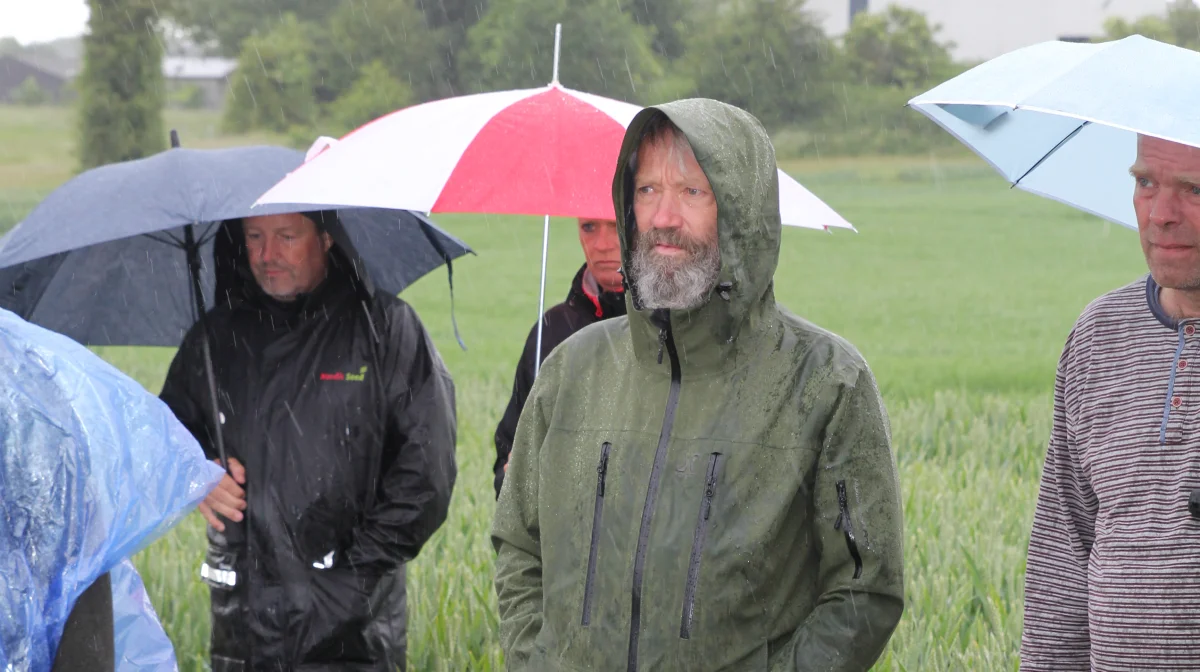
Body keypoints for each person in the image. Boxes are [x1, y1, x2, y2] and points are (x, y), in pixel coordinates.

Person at [491, 99, 905, 670]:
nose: (663, 216)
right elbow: (518, 544)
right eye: (646, 190)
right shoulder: (572, 371)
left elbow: (864, 588)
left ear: (742, 212)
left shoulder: (825, 381)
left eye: (692, 192)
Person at [159, 210, 457, 672]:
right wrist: (197, 472)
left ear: (326, 238)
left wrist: (347, 584)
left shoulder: (384, 329)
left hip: (353, 636)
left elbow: (426, 477)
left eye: (286, 237)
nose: (267, 255)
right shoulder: (215, 338)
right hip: (243, 630)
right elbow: (164, 438)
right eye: (254, 237)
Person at [1020, 135, 1200, 670]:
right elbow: (1066, 540)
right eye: (1145, 182)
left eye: (1193, 188)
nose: (1161, 214)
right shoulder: (1101, 332)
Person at [492, 217, 626, 498]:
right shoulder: (552, 331)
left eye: (616, 224)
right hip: (561, 536)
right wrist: (513, 479)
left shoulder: (678, 329)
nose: (601, 245)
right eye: (588, 227)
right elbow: (510, 451)